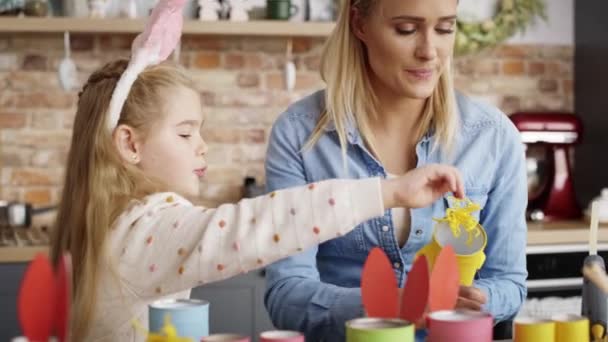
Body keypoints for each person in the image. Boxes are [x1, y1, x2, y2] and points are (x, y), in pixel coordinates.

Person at [49, 10, 466, 342]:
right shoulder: (148, 229)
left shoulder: (104, 224)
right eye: (185, 132)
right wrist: (388, 191)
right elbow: (259, 225)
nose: (202, 145)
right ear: (130, 145)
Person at [263, 0, 528, 340]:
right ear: (360, 24)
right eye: (406, 29)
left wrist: (483, 300)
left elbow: (510, 282)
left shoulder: (493, 136)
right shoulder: (299, 135)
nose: (429, 51)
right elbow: (286, 296)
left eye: (445, 28)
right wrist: (387, 308)